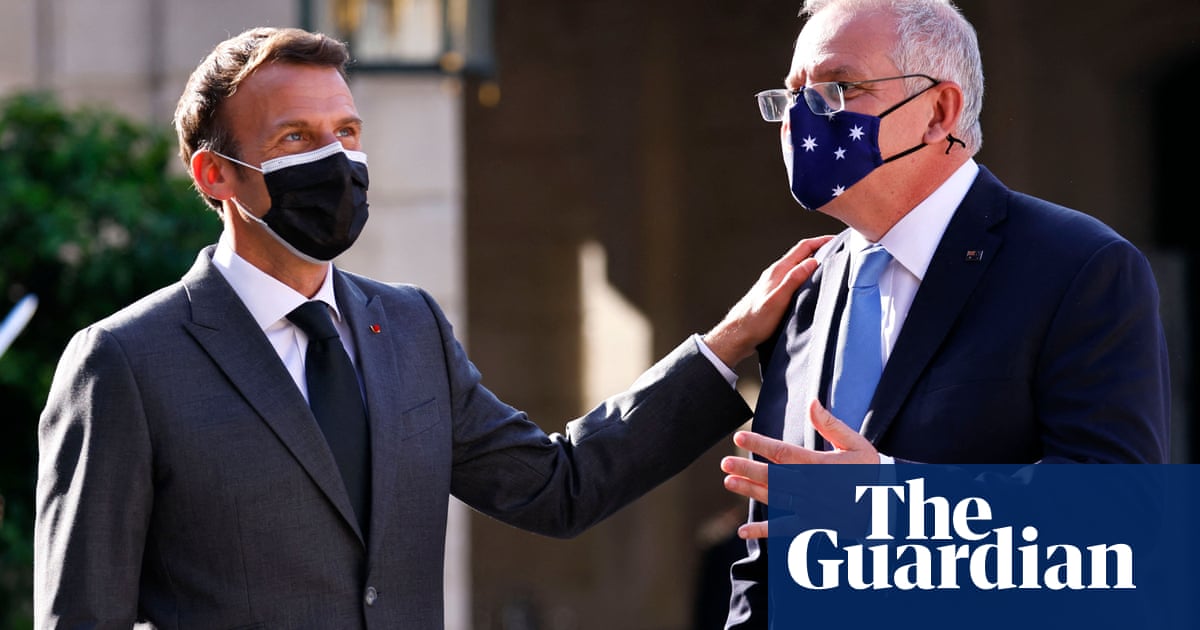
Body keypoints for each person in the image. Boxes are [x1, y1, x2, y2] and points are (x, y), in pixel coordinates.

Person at [33, 26, 831, 628]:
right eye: (295, 138)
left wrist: (725, 346)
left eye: (347, 133)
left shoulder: (408, 326)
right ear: (216, 175)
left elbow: (560, 487)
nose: (337, 161)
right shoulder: (126, 363)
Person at [716, 0, 1171, 627]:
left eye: (838, 88)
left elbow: (1118, 512)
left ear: (938, 112)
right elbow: (766, 558)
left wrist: (894, 502)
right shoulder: (802, 288)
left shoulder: (1078, 265)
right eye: (793, 95)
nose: (802, 118)